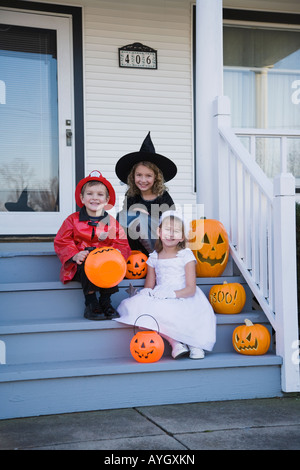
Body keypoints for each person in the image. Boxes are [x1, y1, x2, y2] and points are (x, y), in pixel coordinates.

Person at [115, 211, 216, 359]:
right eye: (168, 230)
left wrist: (172, 295)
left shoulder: (186, 255)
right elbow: (149, 285)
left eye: (176, 231)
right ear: (159, 232)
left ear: (182, 237)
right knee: (144, 311)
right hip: (161, 293)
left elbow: (191, 288)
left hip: (183, 294)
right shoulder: (154, 257)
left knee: (185, 312)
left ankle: (195, 343)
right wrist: (146, 293)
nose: (171, 234)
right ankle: (175, 342)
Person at [54, 170, 131, 320]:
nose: (94, 198)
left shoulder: (111, 223)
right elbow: (62, 240)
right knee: (87, 261)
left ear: (107, 200)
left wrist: (116, 254)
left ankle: (105, 301)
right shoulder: (72, 220)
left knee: (111, 263)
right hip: (80, 265)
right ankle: (91, 302)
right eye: (89, 194)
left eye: (100, 194)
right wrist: (75, 254)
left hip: (103, 266)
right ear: (82, 198)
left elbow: (121, 242)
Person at [115, 132, 177, 256]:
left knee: (141, 218)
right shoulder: (131, 196)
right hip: (136, 245)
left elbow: (171, 222)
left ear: (156, 177)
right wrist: (135, 213)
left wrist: (146, 219)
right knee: (121, 216)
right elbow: (124, 222)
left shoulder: (163, 196)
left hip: (159, 241)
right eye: (139, 175)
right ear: (133, 176)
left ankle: (155, 256)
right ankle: (123, 252)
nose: (143, 180)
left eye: (148, 176)